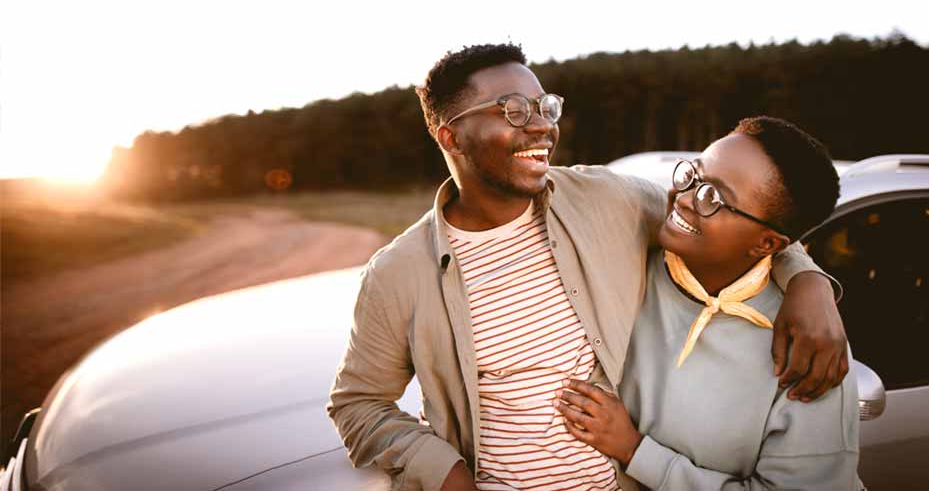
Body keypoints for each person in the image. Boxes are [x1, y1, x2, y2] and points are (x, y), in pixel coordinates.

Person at [327, 44, 848, 491]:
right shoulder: (397, 274)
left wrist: (808, 280)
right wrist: (446, 474)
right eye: (512, 110)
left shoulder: (608, 200)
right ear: (451, 136)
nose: (541, 126)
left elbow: (735, 225)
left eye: (544, 106)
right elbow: (358, 403)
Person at [555, 117, 861, 490]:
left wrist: (637, 451)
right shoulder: (626, 263)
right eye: (691, 175)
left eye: (713, 198)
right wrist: (809, 277)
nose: (682, 198)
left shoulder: (808, 349)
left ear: (767, 245)